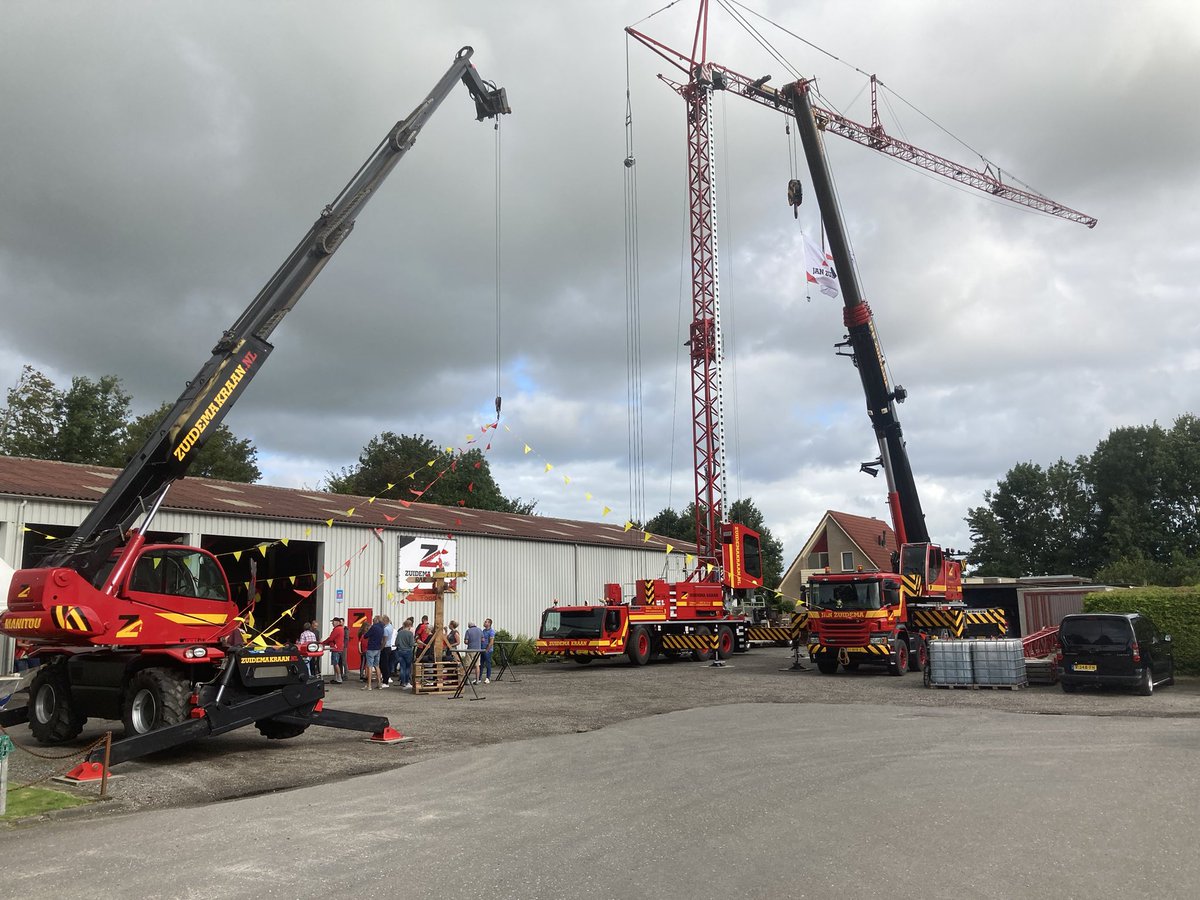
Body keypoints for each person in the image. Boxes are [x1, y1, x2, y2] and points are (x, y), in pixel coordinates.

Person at [363, 615, 386, 690]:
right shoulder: (382, 627)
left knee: (369, 666)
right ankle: (379, 684)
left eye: (373, 620)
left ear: (376, 620)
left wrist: (367, 630)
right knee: (377, 666)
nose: (372, 622)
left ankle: (369, 685)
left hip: (371, 648)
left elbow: (366, 636)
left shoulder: (374, 627)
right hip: (378, 648)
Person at [321, 617, 347, 683]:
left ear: (337, 622)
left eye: (333, 622)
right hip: (339, 648)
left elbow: (331, 638)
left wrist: (322, 643)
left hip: (335, 648)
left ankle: (339, 678)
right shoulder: (341, 629)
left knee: (335, 663)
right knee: (336, 663)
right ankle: (336, 678)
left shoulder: (337, 629)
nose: (332, 623)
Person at [394, 617, 415, 689]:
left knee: (402, 667)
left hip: (400, 651)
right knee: (408, 667)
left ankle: (403, 682)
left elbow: (396, 643)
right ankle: (407, 682)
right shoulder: (410, 634)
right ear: (409, 626)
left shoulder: (399, 632)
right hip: (408, 651)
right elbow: (411, 643)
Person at [380, 615, 396, 685]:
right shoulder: (391, 627)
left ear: (384, 621)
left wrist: (381, 648)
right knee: (388, 664)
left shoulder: (385, 629)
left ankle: (385, 681)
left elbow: (385, 640)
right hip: (389, 647)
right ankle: (387, 678)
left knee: (384, 665)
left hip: (386, 647)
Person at [480, 617, 496, 684]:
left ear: (489, 623)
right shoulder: (483, 631)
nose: (484, 622)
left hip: (488, 651)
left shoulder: (491, 631)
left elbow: (491, 642)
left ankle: (488, 678)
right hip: (482, 650)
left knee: (488, 664)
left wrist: (487, 650)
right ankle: (479, 678)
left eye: (486, 622)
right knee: (481, 664)